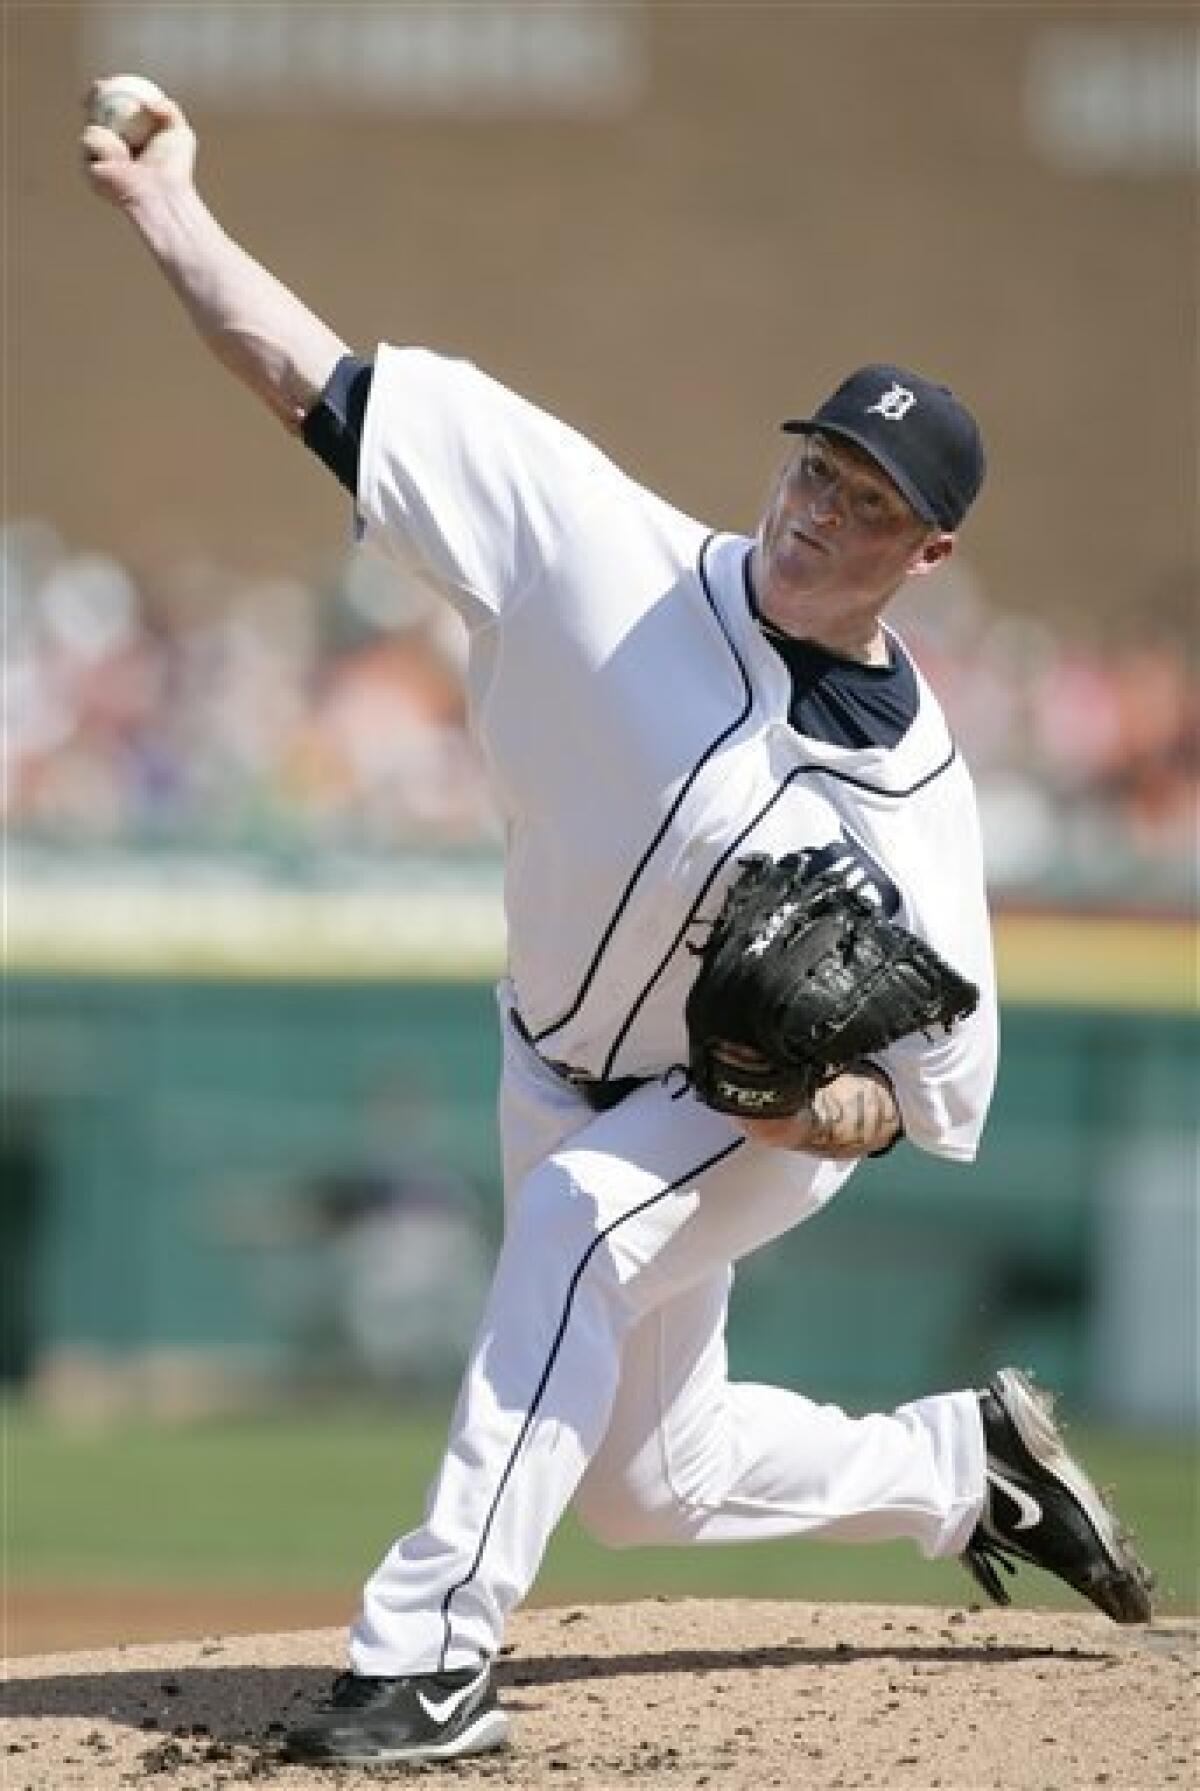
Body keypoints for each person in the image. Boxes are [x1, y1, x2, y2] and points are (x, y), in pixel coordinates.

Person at [81, 82, 1153, 1769]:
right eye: (818, 464)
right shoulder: (598, 550)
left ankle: (426, 1657)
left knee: (584, 1217)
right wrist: (167, 214)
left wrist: (809, 1100)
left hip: (737, 1115)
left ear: (928, 551)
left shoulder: (920, 808)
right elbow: (313, 377)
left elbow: (927, 1101)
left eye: (870, 501)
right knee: (660, 1489)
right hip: (550, 1057)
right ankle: (965, 1470)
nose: (821, 508)